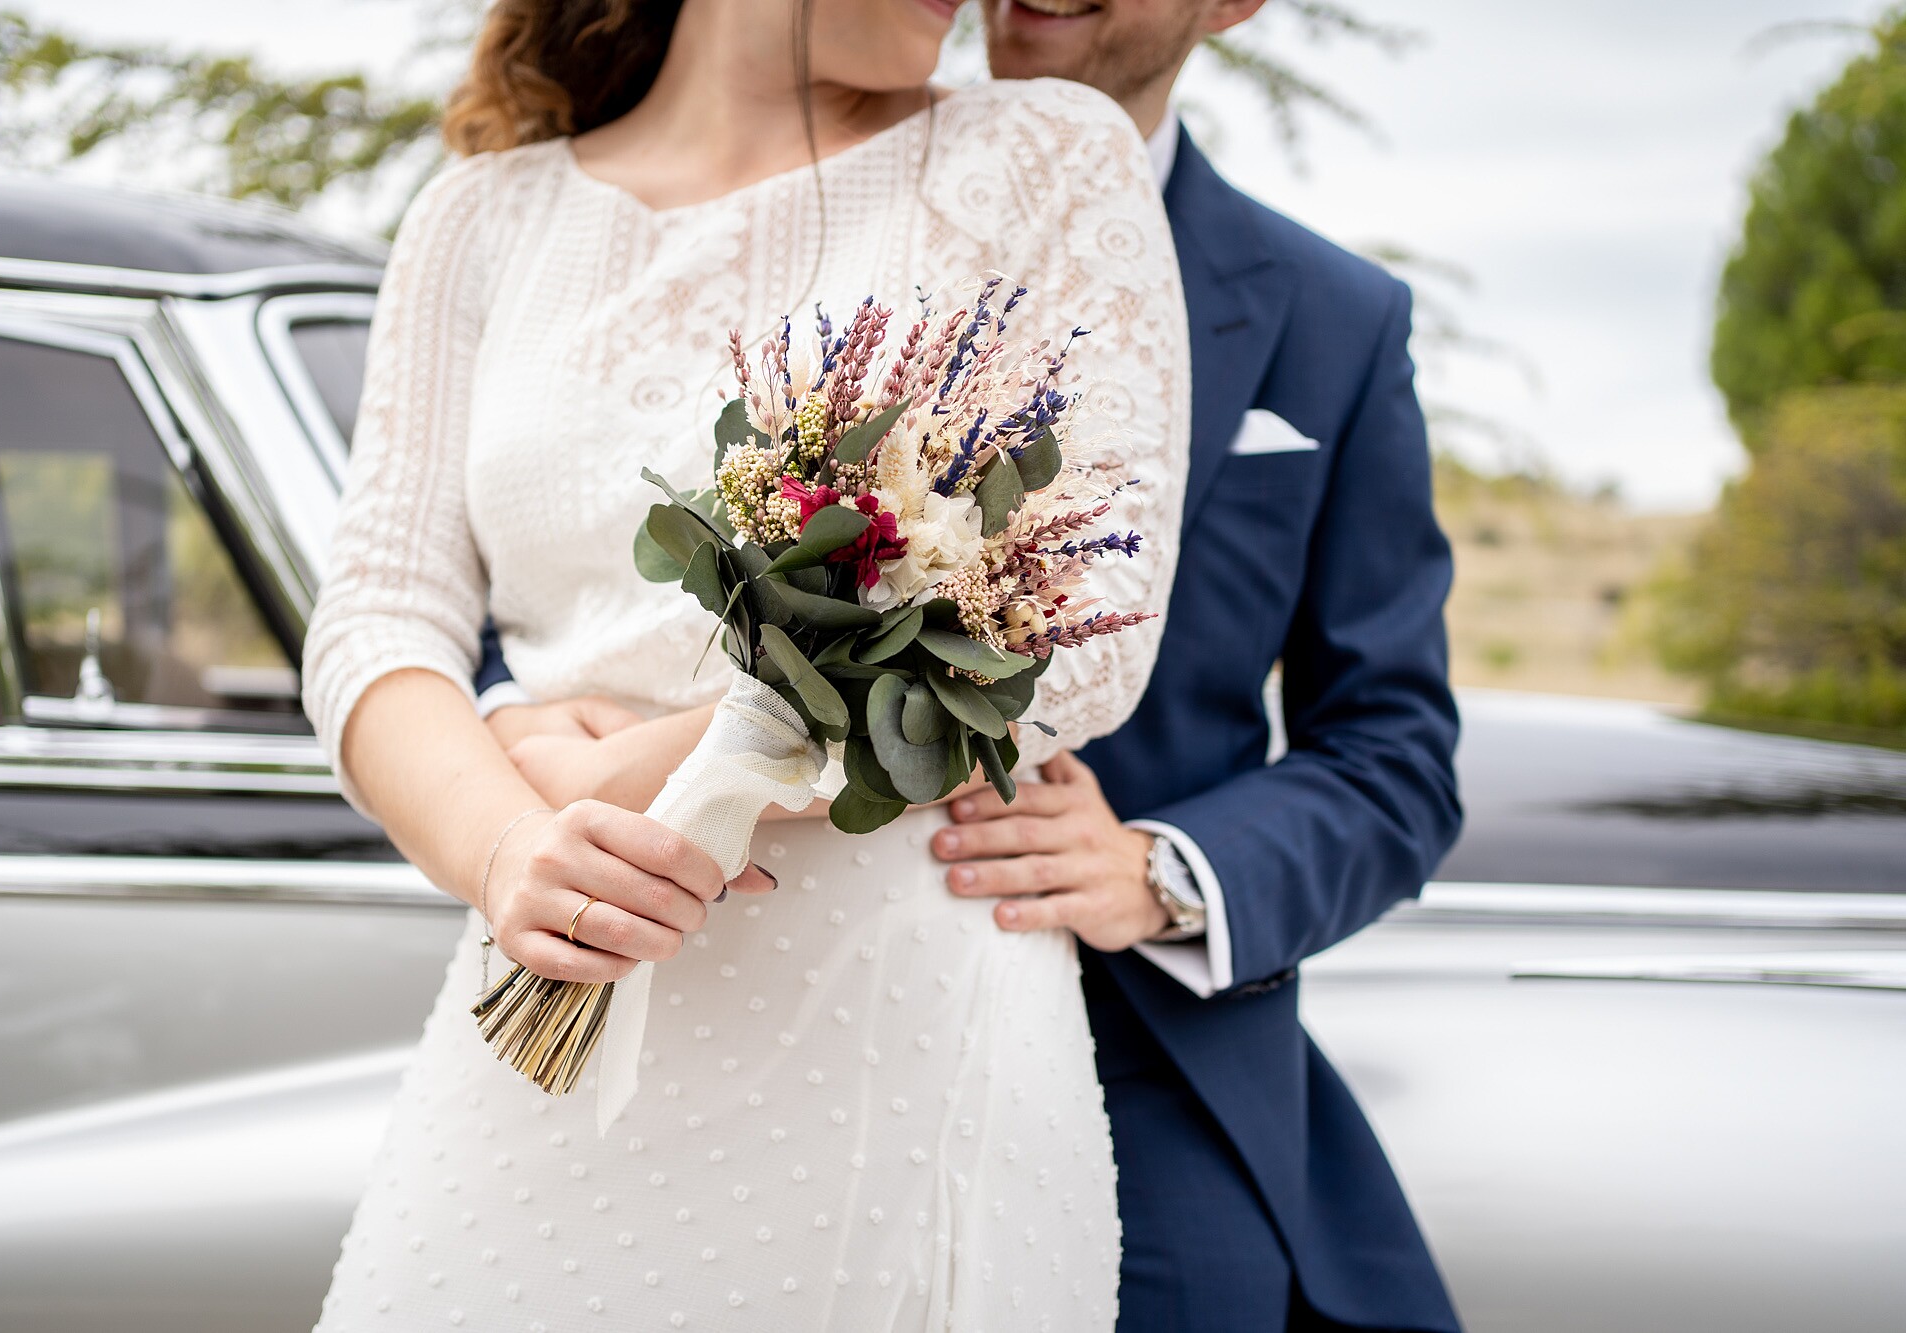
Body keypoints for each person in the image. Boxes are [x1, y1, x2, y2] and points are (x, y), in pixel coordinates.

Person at [483, 2, 1465, 1331]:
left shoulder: (1331, 321)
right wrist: (522, 727)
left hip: (1135, 1038)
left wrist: (1162, 873)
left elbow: (1394, 755)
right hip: (727, 966)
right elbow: (578, 519)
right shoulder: (816, 190)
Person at [300, 0, 1191, 1328]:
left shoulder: (1047, 151)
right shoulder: (479, 219)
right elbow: (376, 618)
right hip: (552, 988)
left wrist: (615, 769)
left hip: (890, 1018)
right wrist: (505, 853)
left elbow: (1073, 633)